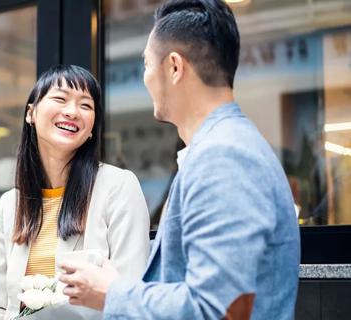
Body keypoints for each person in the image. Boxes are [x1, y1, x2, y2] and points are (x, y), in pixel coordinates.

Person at [58, 1, 300, 319]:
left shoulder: (224, 157)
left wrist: (111, 293)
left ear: (174, 67)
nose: (145, 78)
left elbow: (213, 309)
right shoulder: (221, 148)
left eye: (146, 65)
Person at [0, 65, 150, 320]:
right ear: (31, 113)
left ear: (92, 127)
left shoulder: (118, 186)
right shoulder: (10, 205)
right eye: (60, 99)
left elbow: (129, 296)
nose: (72, 112)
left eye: (86, 105)